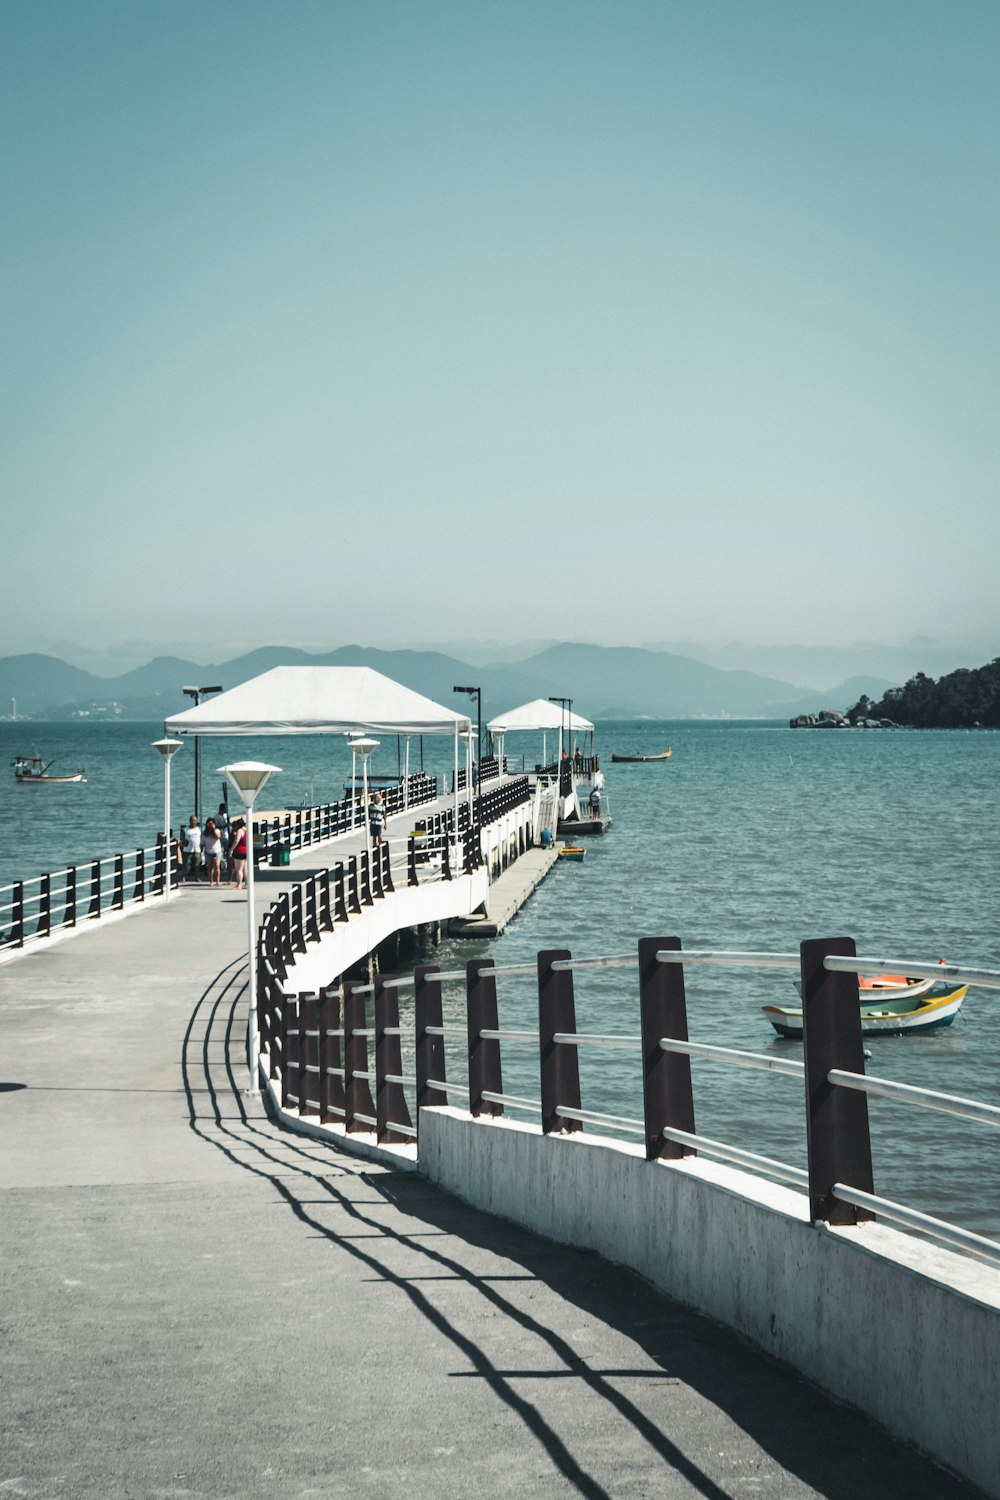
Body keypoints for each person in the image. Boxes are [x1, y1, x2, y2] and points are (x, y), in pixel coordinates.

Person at [182, 815, 203, 883]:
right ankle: (183, 877)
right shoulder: (186, 829)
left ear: (196, 821)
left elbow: (202, 839)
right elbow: (182, 840)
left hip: (197, 850)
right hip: (187, 850)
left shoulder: (199, 829)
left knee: (197, 865)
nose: (193, 822)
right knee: (185, 864)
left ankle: (197, 877)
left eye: (194, 820)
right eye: (191, 820)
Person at [203, 818, 223, 887]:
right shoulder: (205, 833)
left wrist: (214, 828)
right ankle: (211, 880)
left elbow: (218, 837)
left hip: (216, 851)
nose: (210, 825)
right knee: (210, 867)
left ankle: (217, 880)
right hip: (208, 851)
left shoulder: (217, 830)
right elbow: (202, 843)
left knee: (217, 866)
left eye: (212, 823)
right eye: (209, 824)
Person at [229, 818, 247, 889]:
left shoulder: (240, 831)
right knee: (245, 868)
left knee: (239, 869)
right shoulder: (246, 830)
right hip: (245, 850)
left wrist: (231, 849)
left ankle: (239, 884)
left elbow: (236, 841)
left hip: (239, 851)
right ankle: (246, 883)